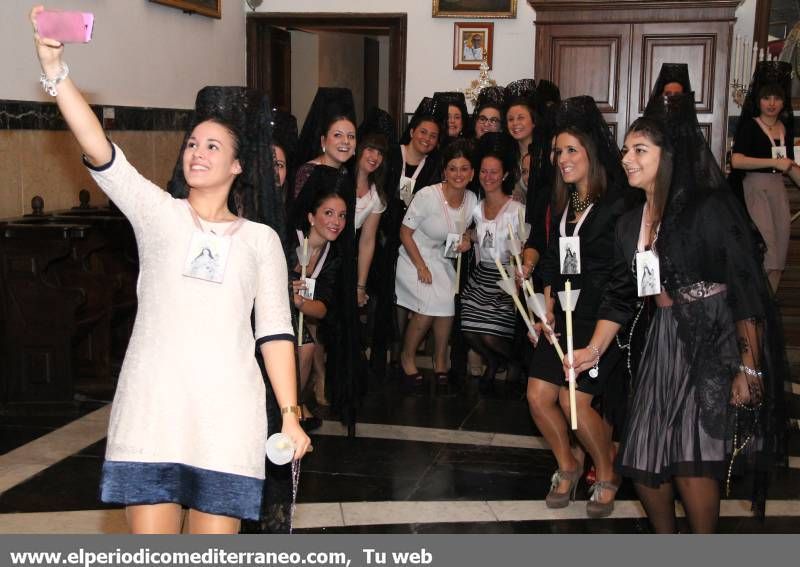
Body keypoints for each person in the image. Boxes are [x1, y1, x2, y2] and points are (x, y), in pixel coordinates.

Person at [30, 7, 310, 533]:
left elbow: (274, 332)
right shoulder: (157, 213)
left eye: (213, 146)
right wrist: (56, 69)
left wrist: (291, 413)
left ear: (237, 165)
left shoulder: (260, 240)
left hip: (227, 417)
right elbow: (99, 148)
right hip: (154, 408)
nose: (197, 153)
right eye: (191, 143)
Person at [570, 92, 786, 532]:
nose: (626, 158)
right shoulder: (630, 222)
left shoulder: (706, 208)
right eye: (627, 149)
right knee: (643, 456)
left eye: (639, 150)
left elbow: (745, 286)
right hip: (662, 338)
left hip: (712, 335)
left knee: (694, 459)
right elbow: (621, 294)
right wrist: (593, 348)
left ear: (668, 156)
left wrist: (750, 366)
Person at [526, 96, 636, 518]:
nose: (563, 159)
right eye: (558, 151)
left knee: (575, 403)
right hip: (565, 313)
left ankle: (606, 471)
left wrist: (597, 334)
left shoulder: (618, 204)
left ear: (591, 151)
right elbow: (556, 260)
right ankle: (567, 465)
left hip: (603, 317)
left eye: (571, 150)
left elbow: (621, 273)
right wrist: (549, 307)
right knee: (538, 396)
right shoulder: (564, 202)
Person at [395, 139, 478, 389]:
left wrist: (469, 239)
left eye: (464, 169)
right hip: (413, 256)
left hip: (442, 260)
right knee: (427, 307)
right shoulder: (427, 195)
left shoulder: (472, 200)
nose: (458, 174)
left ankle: (440, 360)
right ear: (444, 171)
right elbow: (404, 233)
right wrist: (420, 266)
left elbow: (476, 231)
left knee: (447, 308)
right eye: (453, 168)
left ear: (472, 173)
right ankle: (407, 358)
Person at [459, 133, 525, 393]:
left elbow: (522, 245)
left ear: (505, 175)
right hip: (481, 275)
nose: (488, 177)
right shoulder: (475, 206)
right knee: (469, 328)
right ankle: (493, 360)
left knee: (489, 334)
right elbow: (475, 234)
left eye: (494, 172)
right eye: (484, 172)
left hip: (505, 278)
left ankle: (513, 360)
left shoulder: (516, 209)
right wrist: (467, 238)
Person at [730, 61, 800, 293]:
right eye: (766, 98)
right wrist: (773, 162)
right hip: (755, 189)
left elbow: (787, 166)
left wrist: (787, 167)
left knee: (779, 257)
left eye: (777, 98)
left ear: (783, 101)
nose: (771, 103)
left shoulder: (785, 129)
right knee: (766, 253)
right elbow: (737, 161)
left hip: (778, 190)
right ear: (758, 100)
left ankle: (769, 311)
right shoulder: (750, 127)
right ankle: (756, 313)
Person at [288, 166, 348, 432]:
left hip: (296, 311)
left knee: (308, 347)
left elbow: (323, 308)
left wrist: (301, 303)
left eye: (342, 216)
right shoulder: (289, 240)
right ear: (312, 217)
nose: (336, 221)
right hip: (268, 308)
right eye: (329, 213)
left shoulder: (333, 257)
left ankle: (293, 403)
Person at [504, 79, 538, 205]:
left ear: (533, 122)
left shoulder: (544, 154)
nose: (515, 124)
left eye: (521, 118)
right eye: (510, 119)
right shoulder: (507, 155)